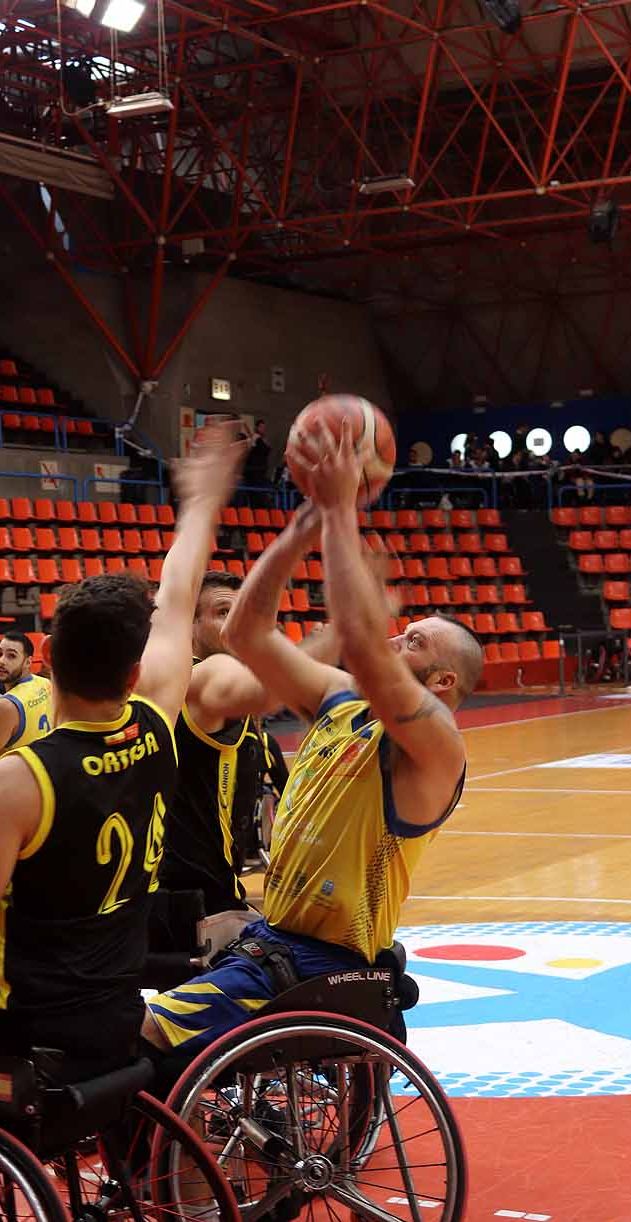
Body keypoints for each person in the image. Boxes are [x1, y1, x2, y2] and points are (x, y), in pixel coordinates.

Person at [0, 420, 246, 1164]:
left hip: (24, 1043)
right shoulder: (158, 725)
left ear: (47, 656)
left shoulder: (14, 784)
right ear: (134, 672)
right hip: (119, 1023)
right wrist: (201, 504)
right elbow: (179, 591)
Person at [142, 414, 480, 1062]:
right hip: (273, 940)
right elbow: (245, 633)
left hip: (323, 962)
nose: (395, 638)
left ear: (442, 681)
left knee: (136, 1037)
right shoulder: (341, 699)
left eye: (414, 641)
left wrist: (340, 512)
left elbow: (361, 640)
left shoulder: (436, 743)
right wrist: (304, 526)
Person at [156, 570, 335, 924]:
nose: (236, 625)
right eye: (223, 613)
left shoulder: (193, 679)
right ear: (189, 623)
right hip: (191, 900)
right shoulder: (206, 673)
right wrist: (343, 632)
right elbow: (275, 686)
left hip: (199, 888)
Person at [0, 632, 52, 772]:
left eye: (11, 656)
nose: (1, 661)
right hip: (48, 774)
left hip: (18, 780)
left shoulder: (6, 706)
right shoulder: (46, 683)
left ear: (28, 662)